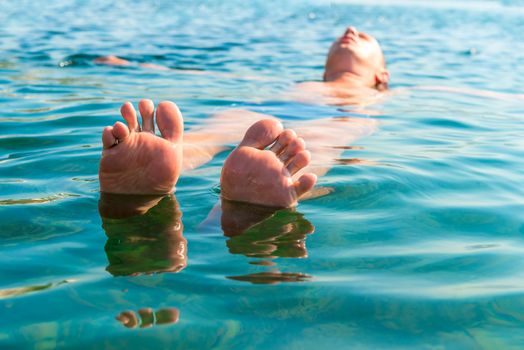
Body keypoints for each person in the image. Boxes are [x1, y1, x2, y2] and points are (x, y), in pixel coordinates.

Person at [98, 26, 388, 207]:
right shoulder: (306, 84)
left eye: (362, 36)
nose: (350, 29)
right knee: (212, 133)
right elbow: (218, 75)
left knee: (311, 145)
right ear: (325, 69)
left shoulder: (385, 91)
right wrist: (132, 65)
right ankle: (161, 167)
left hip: (341, 114)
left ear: (381, 75)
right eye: (343, 36)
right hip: (268, 108)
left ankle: (264, 192)